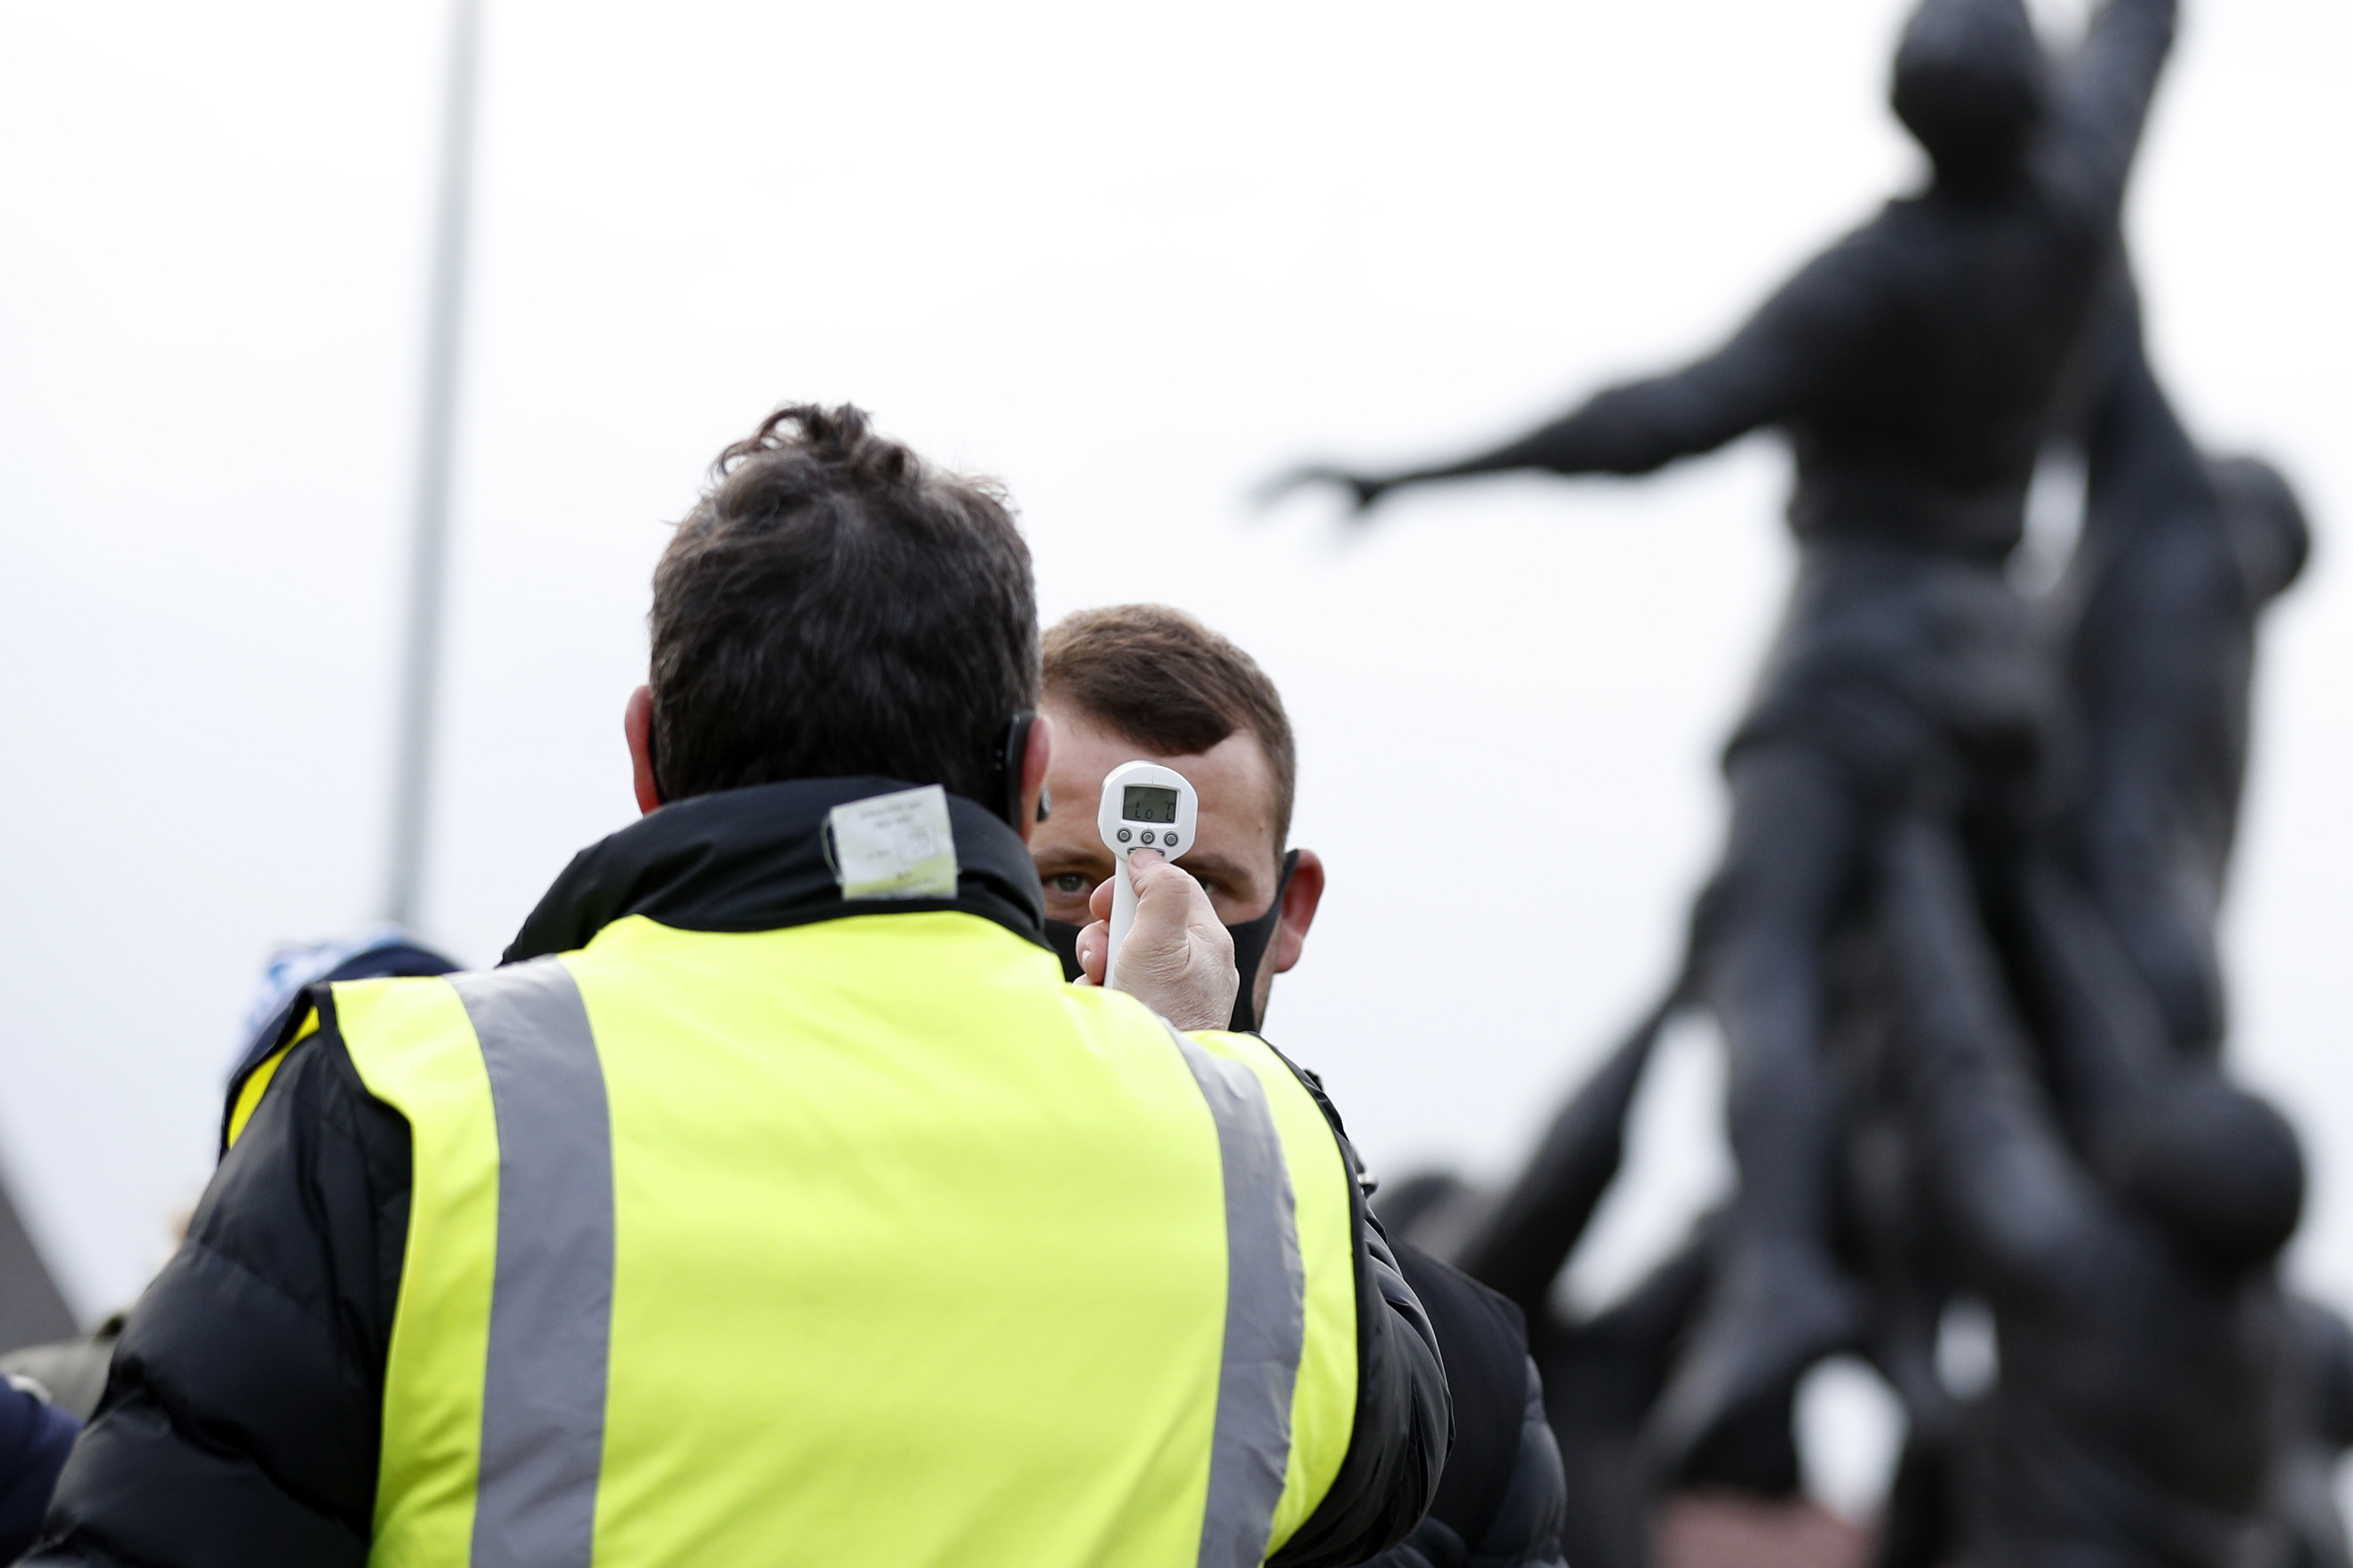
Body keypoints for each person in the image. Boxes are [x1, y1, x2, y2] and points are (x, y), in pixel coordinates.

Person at [30, 406, 1450, 1567]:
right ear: (1024, 776)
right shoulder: (1249, 1155)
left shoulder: (399, 1095)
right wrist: (1205, 1078)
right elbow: (1407, 1460)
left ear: (647, 757)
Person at [1271, 0, 2181, 1468]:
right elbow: (2137, 34)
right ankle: (2117, 1272)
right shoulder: (2075, 197)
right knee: (2007, 987)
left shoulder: (1873, 283)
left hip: (1851, 661)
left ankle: (1783, 1269)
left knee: (1756, 957)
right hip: (1997, 677)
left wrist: (1418, 473)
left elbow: (1657, 418)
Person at [1030, 604, 1563, 1568]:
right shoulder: (863, 1248)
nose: (1135, 922)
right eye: (1069, 879)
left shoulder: (1466, 1369)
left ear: (1290, 909)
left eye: (1199, 882)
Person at [1882, 812, 2300, 1568]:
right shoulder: (2254, 1330)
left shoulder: (2081, 1281)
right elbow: (2122, 1080)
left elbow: (1967, 1076)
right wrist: (2033, 885)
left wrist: (1915, 854)